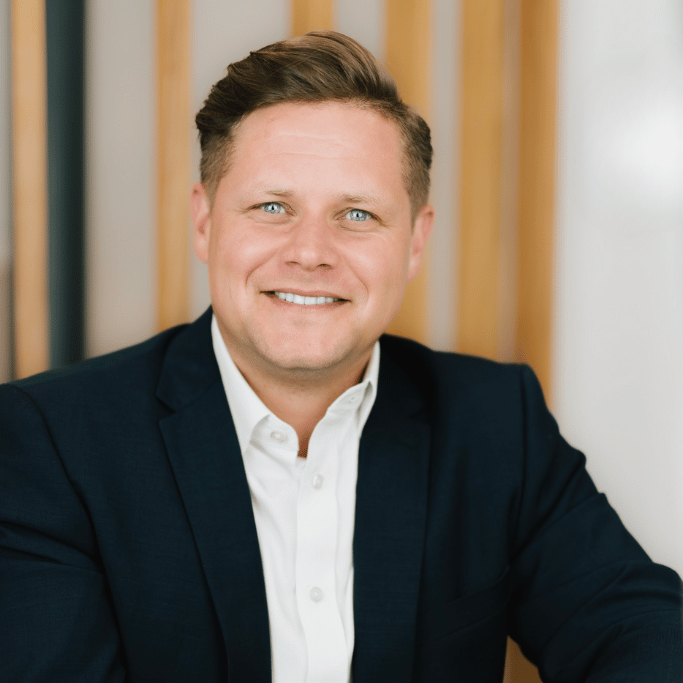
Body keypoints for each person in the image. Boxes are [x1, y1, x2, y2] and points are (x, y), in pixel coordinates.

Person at [0, 31, 681, 683]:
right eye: (272, 207)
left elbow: (642, 629)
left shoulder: (497, 423)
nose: (310, 252)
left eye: (357, 215)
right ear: (205, 223)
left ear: (415, 242)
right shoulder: (49, 441)